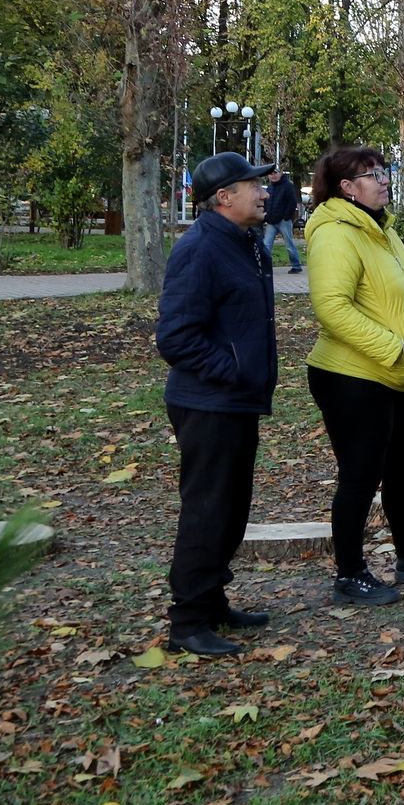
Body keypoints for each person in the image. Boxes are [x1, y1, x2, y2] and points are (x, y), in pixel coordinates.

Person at [303, 145, 404, 606]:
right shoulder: (335, 233)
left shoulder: (380, 229)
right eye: (373, 174)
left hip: (390, 375)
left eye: (385, 171)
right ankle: (349, 574)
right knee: (359, 476)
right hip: (350, 374)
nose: (385, 180)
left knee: (403, 467)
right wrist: (390, 347)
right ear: (346, 188)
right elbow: (332, 307)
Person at [153, 151, 279, 656]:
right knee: (207, 509)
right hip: (208, 403)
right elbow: (176, 337)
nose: (265, 190)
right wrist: (235, 372)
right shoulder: (200, 249)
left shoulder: (246, 243)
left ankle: (211, 601)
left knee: (231, 508)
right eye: (254, 185)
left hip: (237, 402)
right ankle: (187, 621)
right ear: (224, 197)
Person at [263, 169, 302, 273]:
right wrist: (266, 216)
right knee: (266, 245)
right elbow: (266, 203)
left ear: (280, 173)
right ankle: (264, 266)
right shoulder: (269, 187)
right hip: (271, 221)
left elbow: (292, 202)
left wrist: (286, 216)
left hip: (283, 221)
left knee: (289, 244)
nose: (273, 176)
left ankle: (296, 266)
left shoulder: (288, 186)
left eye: (275, 173)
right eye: (270, 174)